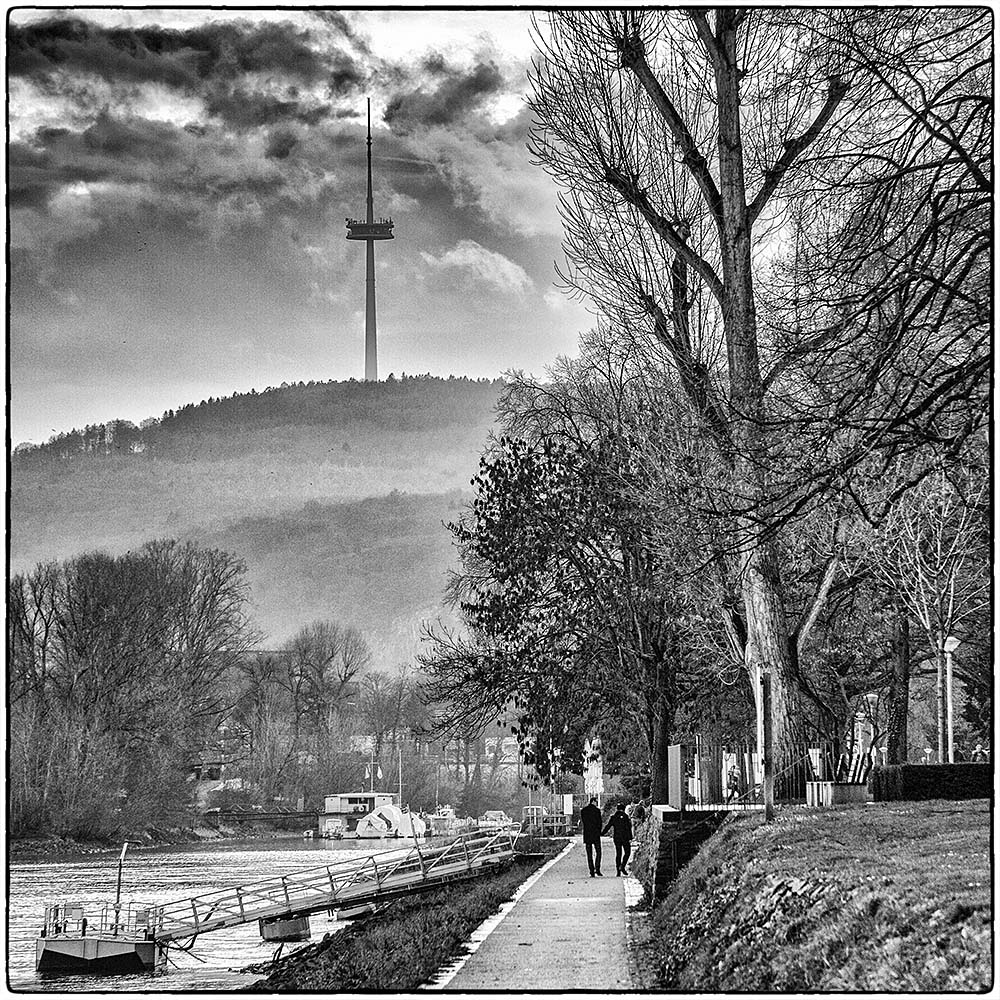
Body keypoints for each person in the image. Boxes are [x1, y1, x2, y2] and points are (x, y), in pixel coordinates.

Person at [602, 801, 633, 877]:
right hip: (625, 837)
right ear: (623, 809)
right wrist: (630, 837)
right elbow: (628, 827)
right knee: (627, 852)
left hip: (617, 838)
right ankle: (622, 866)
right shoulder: (626, 817)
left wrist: (602, 833)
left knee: (618, 853)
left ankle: (618, 871)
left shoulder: (613, 817)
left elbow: (608, 826)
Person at [580, 796, 604, 877]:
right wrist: (599, 831)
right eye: (596, 802)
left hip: (587, 834)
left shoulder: (583, 811)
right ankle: (597, 868)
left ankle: (591, 871)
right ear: (593, 801)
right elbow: (600, 823)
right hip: (596, 834)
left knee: (589, 854)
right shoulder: (597, 811)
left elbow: (583, 822)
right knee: (598, 852)